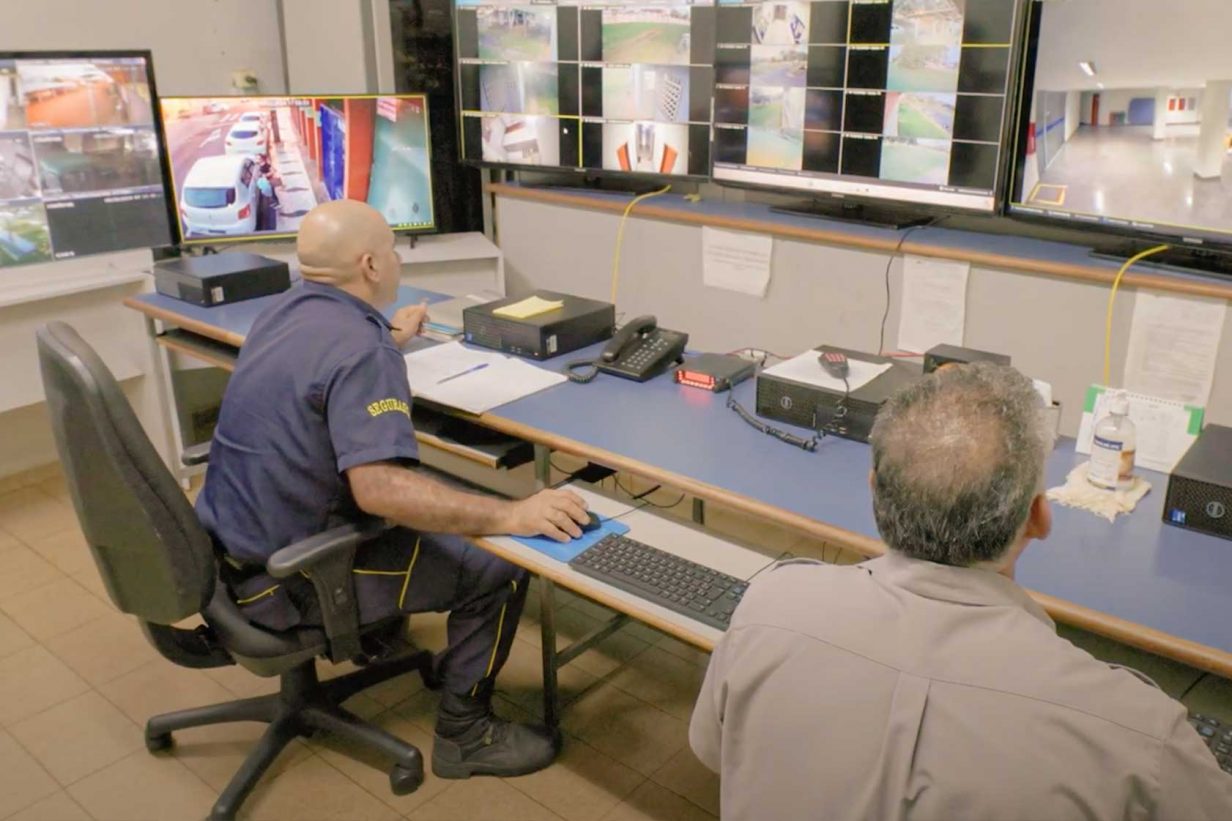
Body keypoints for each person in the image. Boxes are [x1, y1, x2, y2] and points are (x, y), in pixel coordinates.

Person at [689, 363, 1232, 820]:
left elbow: (712, 752)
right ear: (1038, 519)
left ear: (876, 493)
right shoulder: (1141, 736)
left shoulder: (768, 608)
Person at [196, 199, 591, 779]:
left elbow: (323, 372)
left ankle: (378, 637)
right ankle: (466, 733)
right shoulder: (361, 349)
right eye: (392, 250)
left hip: (231, 550)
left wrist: (386, 339)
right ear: (371, 266)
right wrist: (514, 516)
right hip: (287, 580)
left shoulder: (285, 312)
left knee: (433, 495)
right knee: (497, 564)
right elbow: (379, 491)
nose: (396, 261)